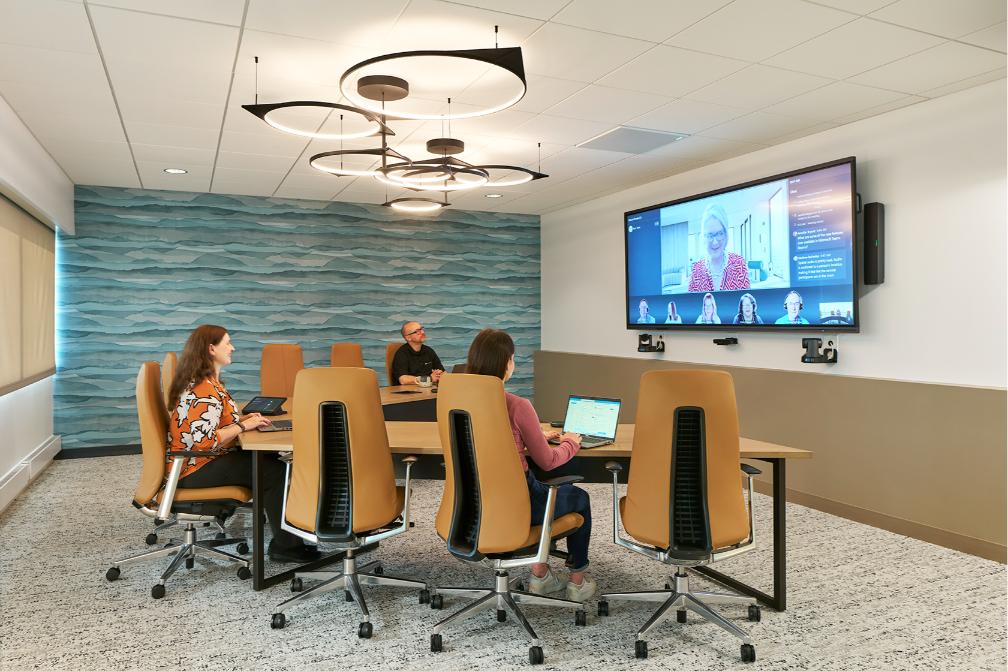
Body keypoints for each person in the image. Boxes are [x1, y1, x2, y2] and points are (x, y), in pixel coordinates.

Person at [168, 324, 319, 563]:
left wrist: (243, 419)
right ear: (211, 349)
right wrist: (241, 427)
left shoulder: (208, 383)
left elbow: (216, 421)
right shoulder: (202, 390)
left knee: (270, 461)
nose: (232, 348)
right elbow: (204, 441)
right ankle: (286, 548)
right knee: (274, 471)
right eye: (227, 343)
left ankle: (290, 538)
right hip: (195, 467)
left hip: (199, 460)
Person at [466, 328, 596, 603]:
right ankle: (576, 581)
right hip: (518, 505)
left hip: (473, 504)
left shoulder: (460, 404)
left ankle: (542, 574)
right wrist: (571, 441)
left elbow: (490, 446)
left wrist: (529, 438)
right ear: (506, 363)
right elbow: (547, 461)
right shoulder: (516, 405)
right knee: (578, 497)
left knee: (548, 491)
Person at [687, 203, 750, 292]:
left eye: (720, 233)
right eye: (710, 235)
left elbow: (746, 303)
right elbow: (691, 305)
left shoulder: (739, 264)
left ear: (726, 234)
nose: (715, 242)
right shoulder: (696, 270)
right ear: (703, 237)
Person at [391, 321, 445, 385]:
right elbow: (403, 379)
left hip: (427, 389)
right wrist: (429, 378)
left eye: (422, 329)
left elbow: (443, 371)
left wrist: (440, 374)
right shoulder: (401, 354)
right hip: (409, 392)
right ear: (408, 338)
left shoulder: (429, 351)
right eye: (417, 331)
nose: (422, 332)